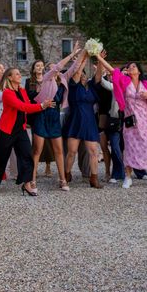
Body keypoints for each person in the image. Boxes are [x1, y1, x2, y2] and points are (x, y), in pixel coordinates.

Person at [95, 54, 147, 188]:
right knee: (130, 149)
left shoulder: (146, 84)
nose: (130, 68)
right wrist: (99, 57)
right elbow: (112, 71)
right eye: (129, 67)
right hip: (131, 122)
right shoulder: (125, 82)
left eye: (133, 66)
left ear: (138, 71)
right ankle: (127, 177)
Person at [0, 68, 55, 196]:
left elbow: (28, 105)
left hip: (20, 129)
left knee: (27, 156)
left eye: (19, 73)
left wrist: (43, 101)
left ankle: (27, 184)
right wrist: (41, 106)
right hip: (7, 129)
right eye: (17, 74)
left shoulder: (22, 90)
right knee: (1, 157)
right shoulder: (7, 93)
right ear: (10, 77)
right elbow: (22, 106)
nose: (19, 75)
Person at [31, 41, 82, 191]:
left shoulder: (62, 80)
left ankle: (62, 179)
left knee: (59, 150)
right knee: (37, 151)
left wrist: (83, 53)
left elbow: (74, 68)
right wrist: (71, 54)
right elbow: (60, 66)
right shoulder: (46, 78)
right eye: (51, 67)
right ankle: (32, 180)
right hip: (42, 116)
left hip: (54, 118)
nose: (54, 68)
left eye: (54, 67)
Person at [63, 50, 104, 189]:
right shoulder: (74, 87)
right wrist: (85, 57)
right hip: (75, 121)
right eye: (80, 75)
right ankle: (66, 175)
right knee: (71, 152)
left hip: (90, 122)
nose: (82, 76)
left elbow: (98, 76)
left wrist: (99, 60)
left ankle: (94, 178)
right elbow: (77, 72)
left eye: (84, 75)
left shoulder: (92, 87)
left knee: (93, 151)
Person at [26, 60, 55, 177]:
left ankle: (48, 166)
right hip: (36, 113)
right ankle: (35, 168)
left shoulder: (47, 79)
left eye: (42, 66)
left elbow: (52, 93)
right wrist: (40, 94)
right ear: (33, 68)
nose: (40, 67)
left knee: (48, 140)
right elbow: (28, 96)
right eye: (37, 66)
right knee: (36, 142)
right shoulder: (29, 81)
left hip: (48, 112)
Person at [97, 65, 125, 183]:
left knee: (118, 147)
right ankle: (110, 172)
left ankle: (119, 171)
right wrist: (100, 71)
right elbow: (101, 83)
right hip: (105, 117)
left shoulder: (119, 85)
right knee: (106, 147)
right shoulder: (110, 84)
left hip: (119, 119)